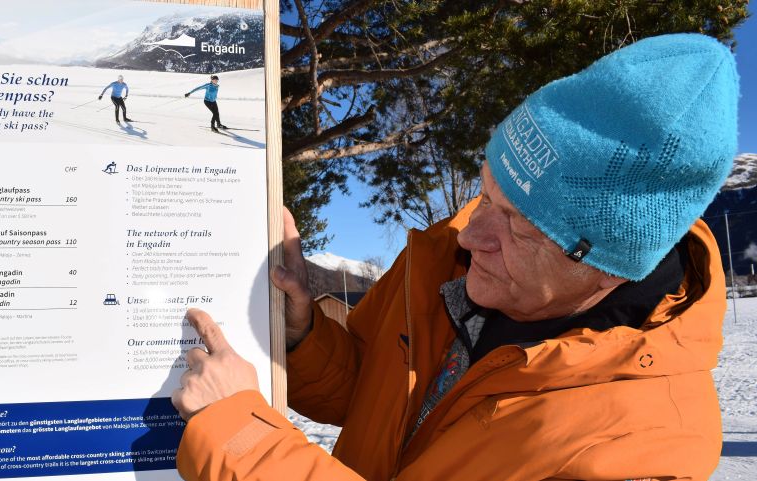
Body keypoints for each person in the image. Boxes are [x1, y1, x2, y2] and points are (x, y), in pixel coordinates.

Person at [171, 33, 739, 481]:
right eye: (488, 193)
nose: (471, 235)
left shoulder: (645, 448)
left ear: (606, 260)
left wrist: (239, 438)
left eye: (519, 223)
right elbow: (371, 397)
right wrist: (303, 336)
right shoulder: (442, 262)